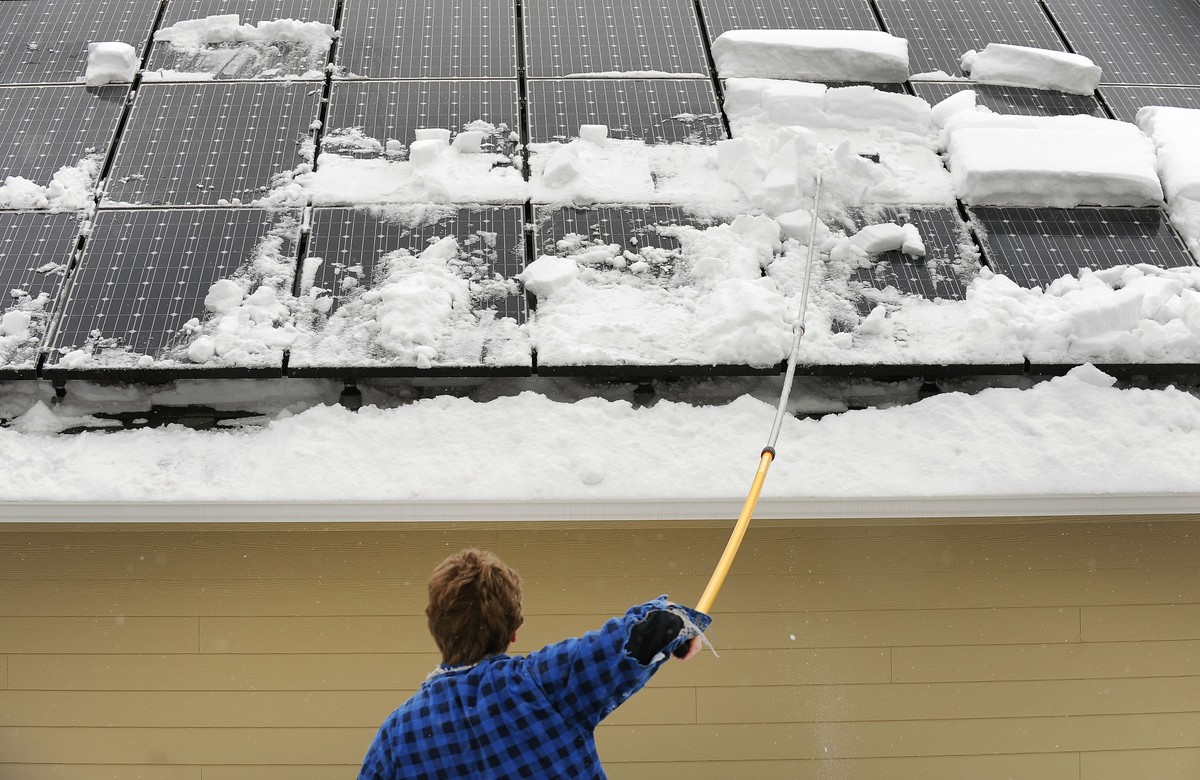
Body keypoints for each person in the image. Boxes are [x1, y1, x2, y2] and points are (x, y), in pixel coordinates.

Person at [357, 548, 711, 780]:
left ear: (434, 625)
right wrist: (679, 630)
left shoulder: (397, 736)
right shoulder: (543, 684)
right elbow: (650, 630)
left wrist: (671, 631)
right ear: (514, 631)